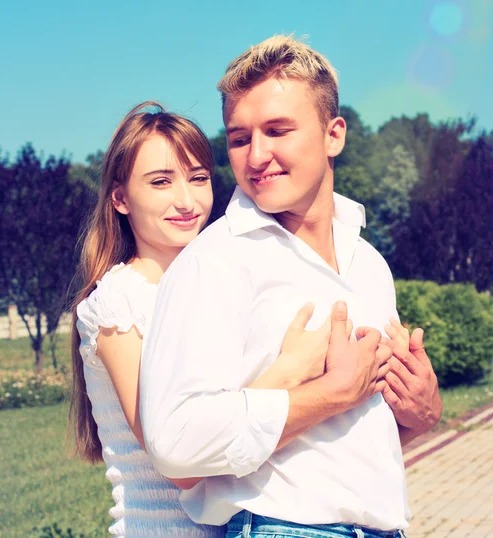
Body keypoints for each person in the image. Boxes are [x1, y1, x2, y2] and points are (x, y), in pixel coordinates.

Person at [139, 36, 442, 538]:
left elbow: (348, 441)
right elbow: (175, 444)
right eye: (239, 138)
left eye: (278, 130)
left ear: (333, 134)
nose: (257, 155)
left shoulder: (369, 265)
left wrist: (420, 412)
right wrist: (331, 393)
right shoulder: (212, 264)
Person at [69, 101, 364, 537]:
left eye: (198, 178)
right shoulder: (120, 303)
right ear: (120, 198)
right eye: (161, 182)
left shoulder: (218, 286)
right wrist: (290, 371)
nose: (186, 201)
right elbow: (180, 463)